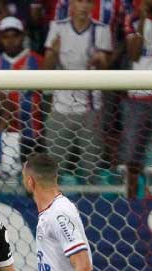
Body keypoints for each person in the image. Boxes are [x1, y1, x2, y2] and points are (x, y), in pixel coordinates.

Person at [42, 0, 111, 183]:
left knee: (91, 170)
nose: (83, 6)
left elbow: (107, 74)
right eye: (79, 1)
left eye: (88, 2)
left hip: (90, 110)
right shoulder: (57, 27)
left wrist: (101, 61)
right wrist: (52, 54)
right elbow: (45, 70)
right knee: (54, 169)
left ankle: (92, 208)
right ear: (71, 4)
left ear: (92, 6)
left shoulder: (101, 30)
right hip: (60, 108)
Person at [0, 16, 44, 161]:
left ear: (22, 35)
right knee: (8, 179)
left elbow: (48, 97)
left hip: (34, 133)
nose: (10, 40)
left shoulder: (37, 60)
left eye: (15, 35)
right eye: (6, 36)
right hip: (5, 134)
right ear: (0, 38)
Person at [121, 2, 152, 198]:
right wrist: (142, 20)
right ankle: (130, 206)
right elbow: (133, 53)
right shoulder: (132, 19)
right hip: (138, 97)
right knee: (132, 159)